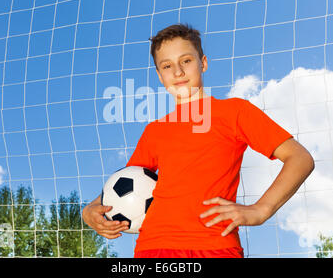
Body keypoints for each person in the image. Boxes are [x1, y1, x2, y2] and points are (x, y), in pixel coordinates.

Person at [82, 23, 315, 258]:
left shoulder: (235, 111)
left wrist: (261, 209)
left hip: (215, 247)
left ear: (203, 63)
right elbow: (126, 181)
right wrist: (91, 209)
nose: (178, 72)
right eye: (167, 65)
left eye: (186, 61)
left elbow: (300, 158)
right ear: (159, 75)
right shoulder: (155, 130)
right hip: (153, 248)